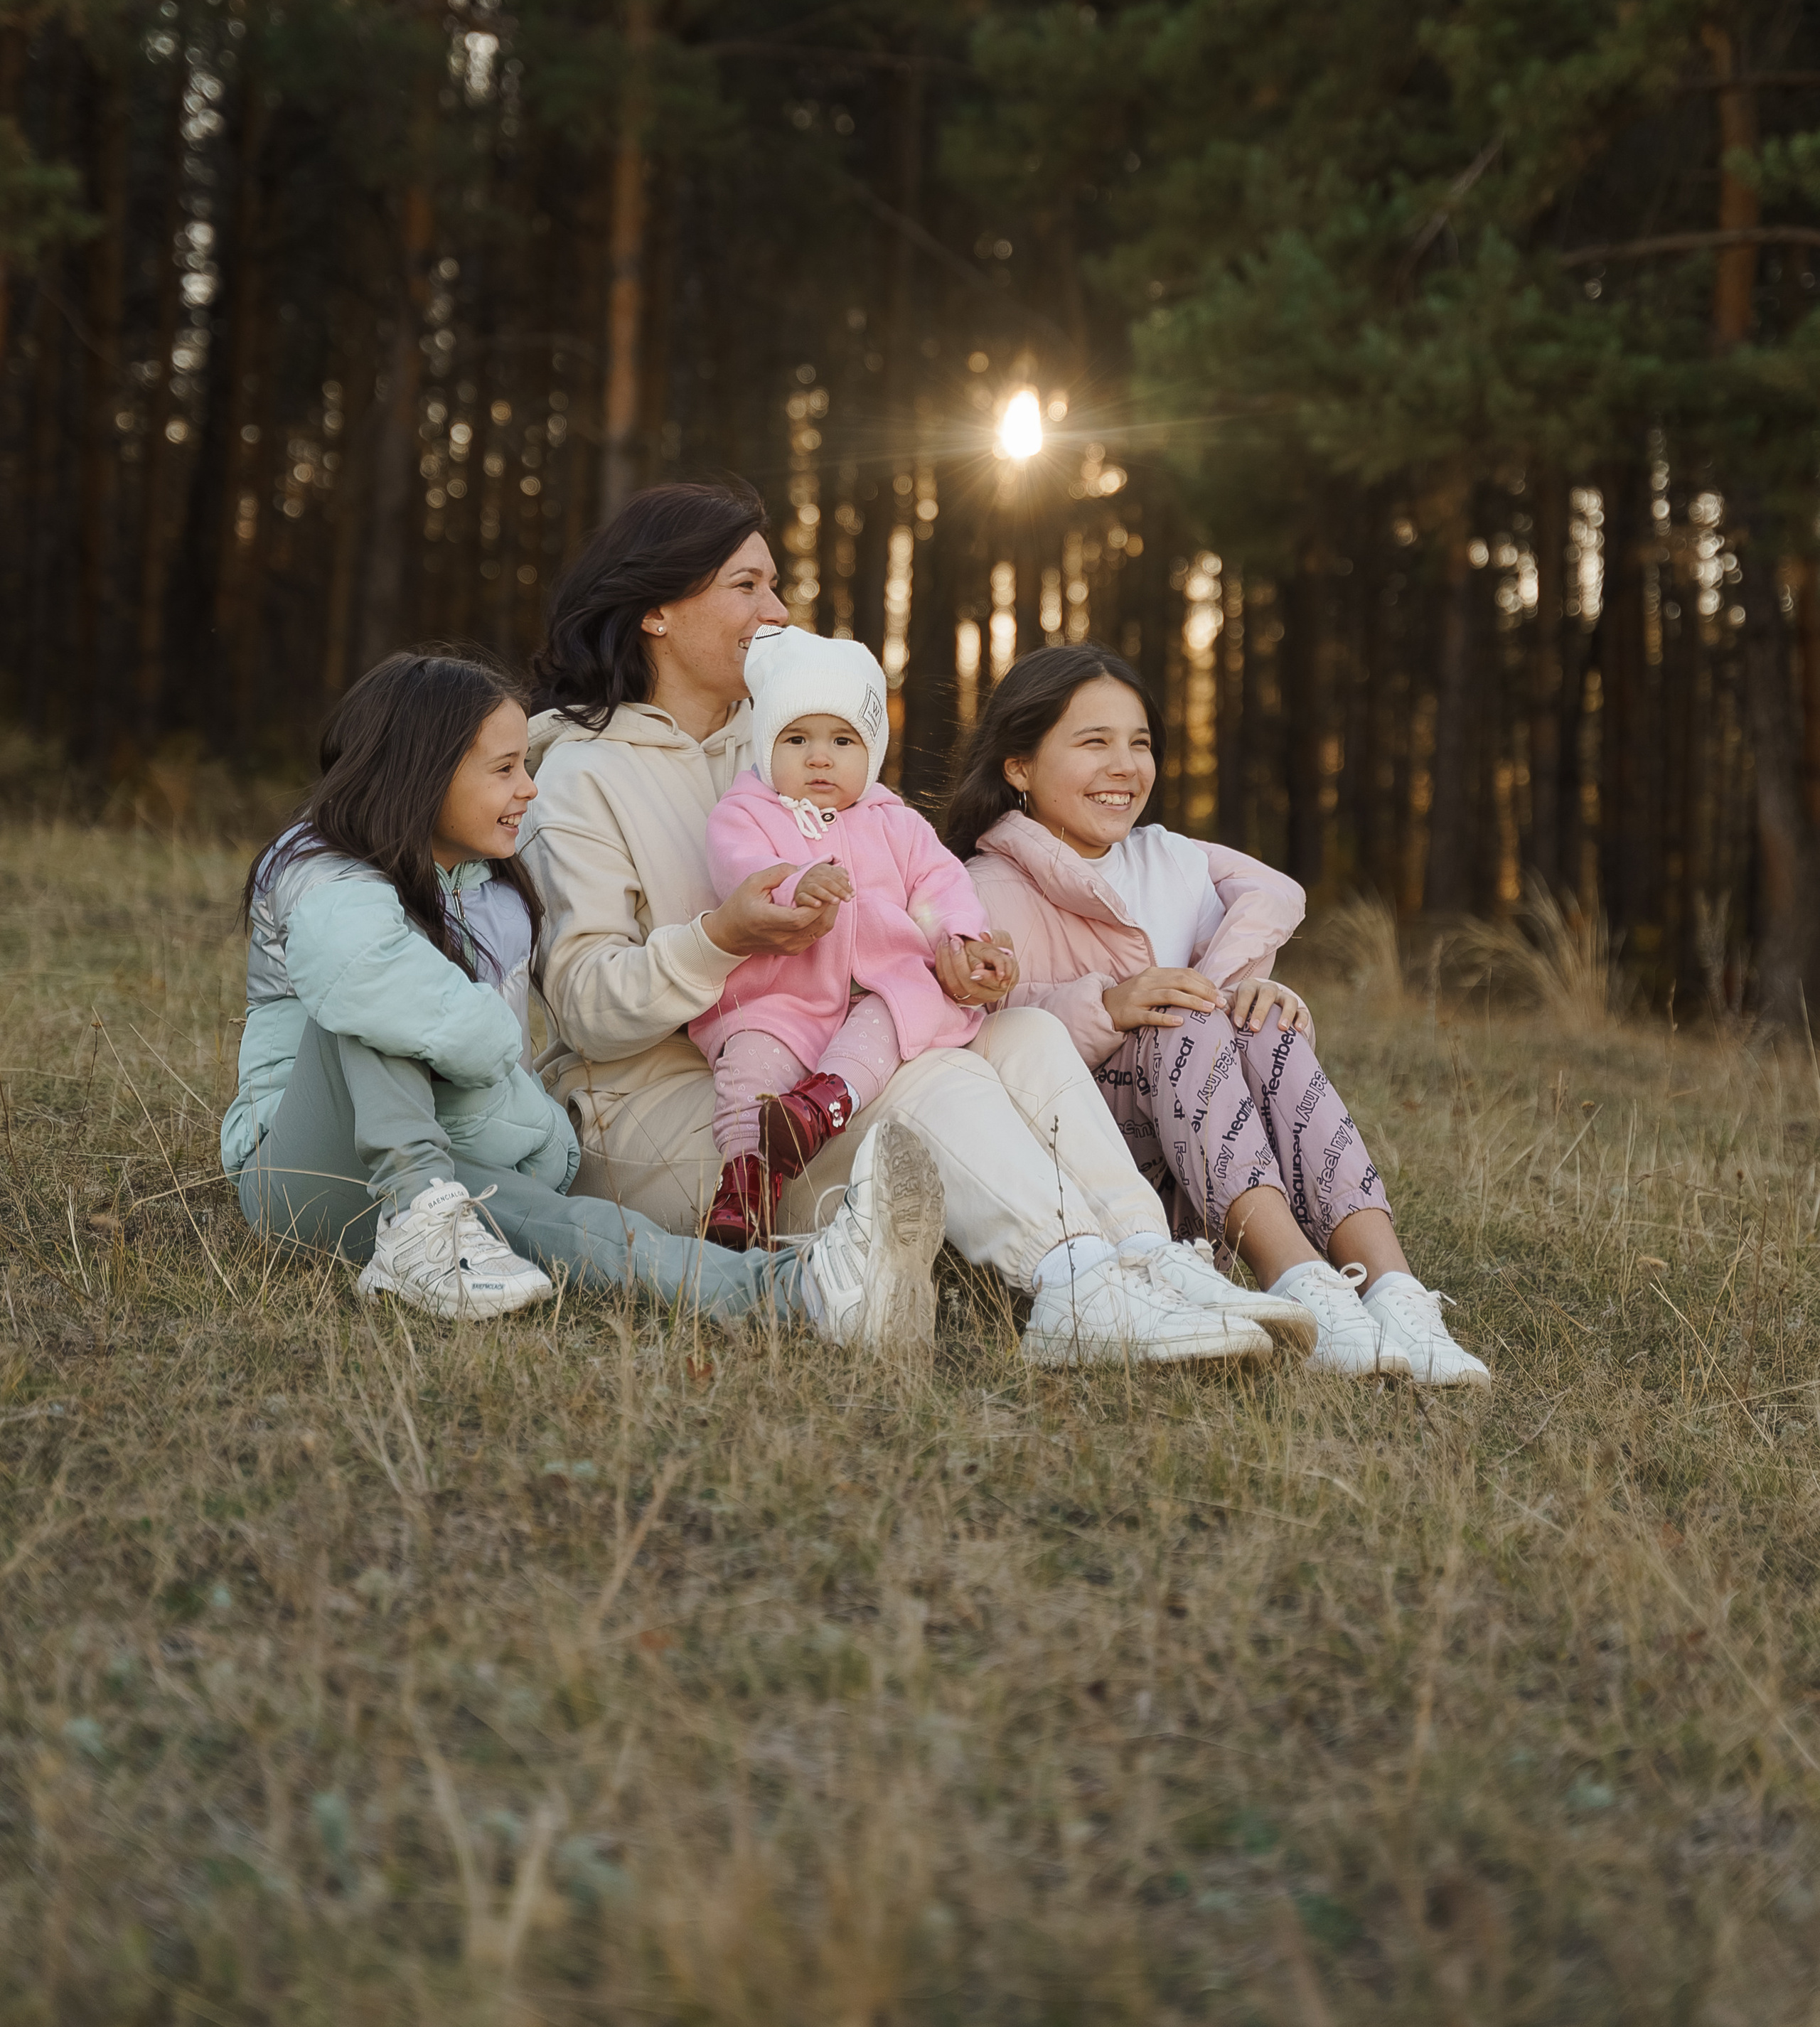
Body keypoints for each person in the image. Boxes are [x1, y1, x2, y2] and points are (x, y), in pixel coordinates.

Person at [518, 481, 1307, 1368]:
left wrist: (956, 952)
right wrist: (723, 937)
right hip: (668, 1119)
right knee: (935, 1081)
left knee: (1024, 1036)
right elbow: (584, 1009)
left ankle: (1144, 1258)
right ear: (656, 609)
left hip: (824, 1067)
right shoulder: (580, 777)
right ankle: (1072, 1289)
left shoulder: (798, 736)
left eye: (775, 585)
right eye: (747, 586)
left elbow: (909, 880)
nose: (776, 612)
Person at [223, 648, 947, 1353]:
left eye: (526, 768)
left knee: (580, 1228)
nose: (529, 790)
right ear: (424, 772)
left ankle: (812, 1293)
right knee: (376, 995)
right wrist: (491, 1050)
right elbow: (374, 980)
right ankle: (418, 1218)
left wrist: (532, 1136)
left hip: (443, 1163)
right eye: (505, 769)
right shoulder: (318, 868)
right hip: (304, 1171)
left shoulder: (483, 885)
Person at [946, 645, 1492, 1386]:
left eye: (1139, 744)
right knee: (1186, 1019)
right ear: (1018, 766)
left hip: (1207, 1173)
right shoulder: (987, 889)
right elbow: (982, 1054)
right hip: (1097, 1179)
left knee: (1260, 1020)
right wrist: (1105, 1006)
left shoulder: (1168, 861)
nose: (1124, 765)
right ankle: (1297, 1282)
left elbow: (1263, 903)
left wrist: (1246, 994)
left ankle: (1393, 1293)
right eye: (1093, 742)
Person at [690, 626, 1013, 1246]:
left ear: (872, 749)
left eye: (842, 740)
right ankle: (746, 1181)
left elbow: (942, 886)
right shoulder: (745, 811)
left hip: (878, 991)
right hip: (782, 992)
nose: (819, 757)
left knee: (899, 1015)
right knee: (749, 1058)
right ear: (766, 745)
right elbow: (742, 871)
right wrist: (795, 887)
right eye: (796, 739)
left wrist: (963, 938)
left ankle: (820, 1106)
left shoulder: (897, 821)